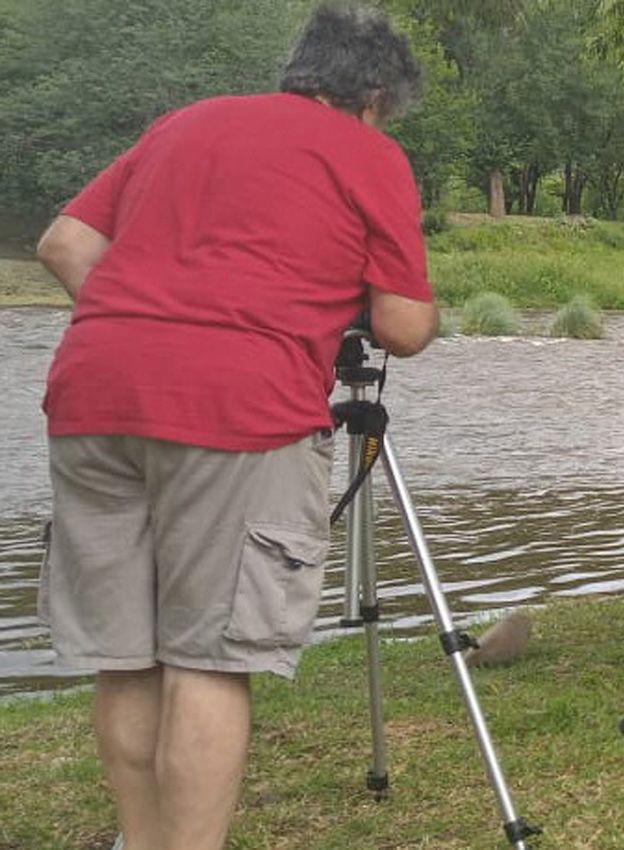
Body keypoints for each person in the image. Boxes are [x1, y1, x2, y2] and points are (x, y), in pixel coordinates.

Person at [33, 6, 437, 848]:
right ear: (372, 97)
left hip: (94, 391)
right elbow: (402, 325)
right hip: (237, 410)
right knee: (207, 658)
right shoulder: (370, 153)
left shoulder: (189, 122)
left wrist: (154, 314)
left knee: (129, 654)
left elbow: (64, 241)